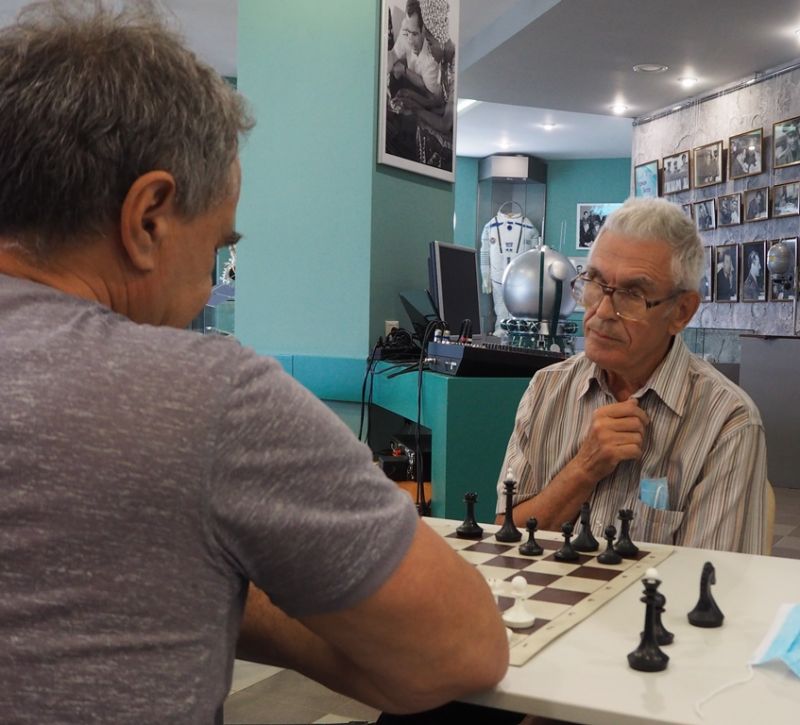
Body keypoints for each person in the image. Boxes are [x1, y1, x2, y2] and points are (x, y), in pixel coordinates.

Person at [0, 3, 510, 722]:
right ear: (148, 219)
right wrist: (240, 587)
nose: (208, 285)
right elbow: (463, 649)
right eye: (216, 247)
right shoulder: (206, 396)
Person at [495, 197, 767, 554]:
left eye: (632, 294)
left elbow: (711, 579)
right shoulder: (547, 388)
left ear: (681, 312)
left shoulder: (728, 423)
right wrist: (584, 468)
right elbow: (507, 538)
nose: (602, 312)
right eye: (595, 283)